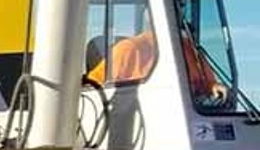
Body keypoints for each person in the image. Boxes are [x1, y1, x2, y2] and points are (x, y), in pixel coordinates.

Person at [88, 26, 231, 109]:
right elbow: (90, 90)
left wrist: (214, 87)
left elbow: (208, 85)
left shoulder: (191, 50)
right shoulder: (128, 50)